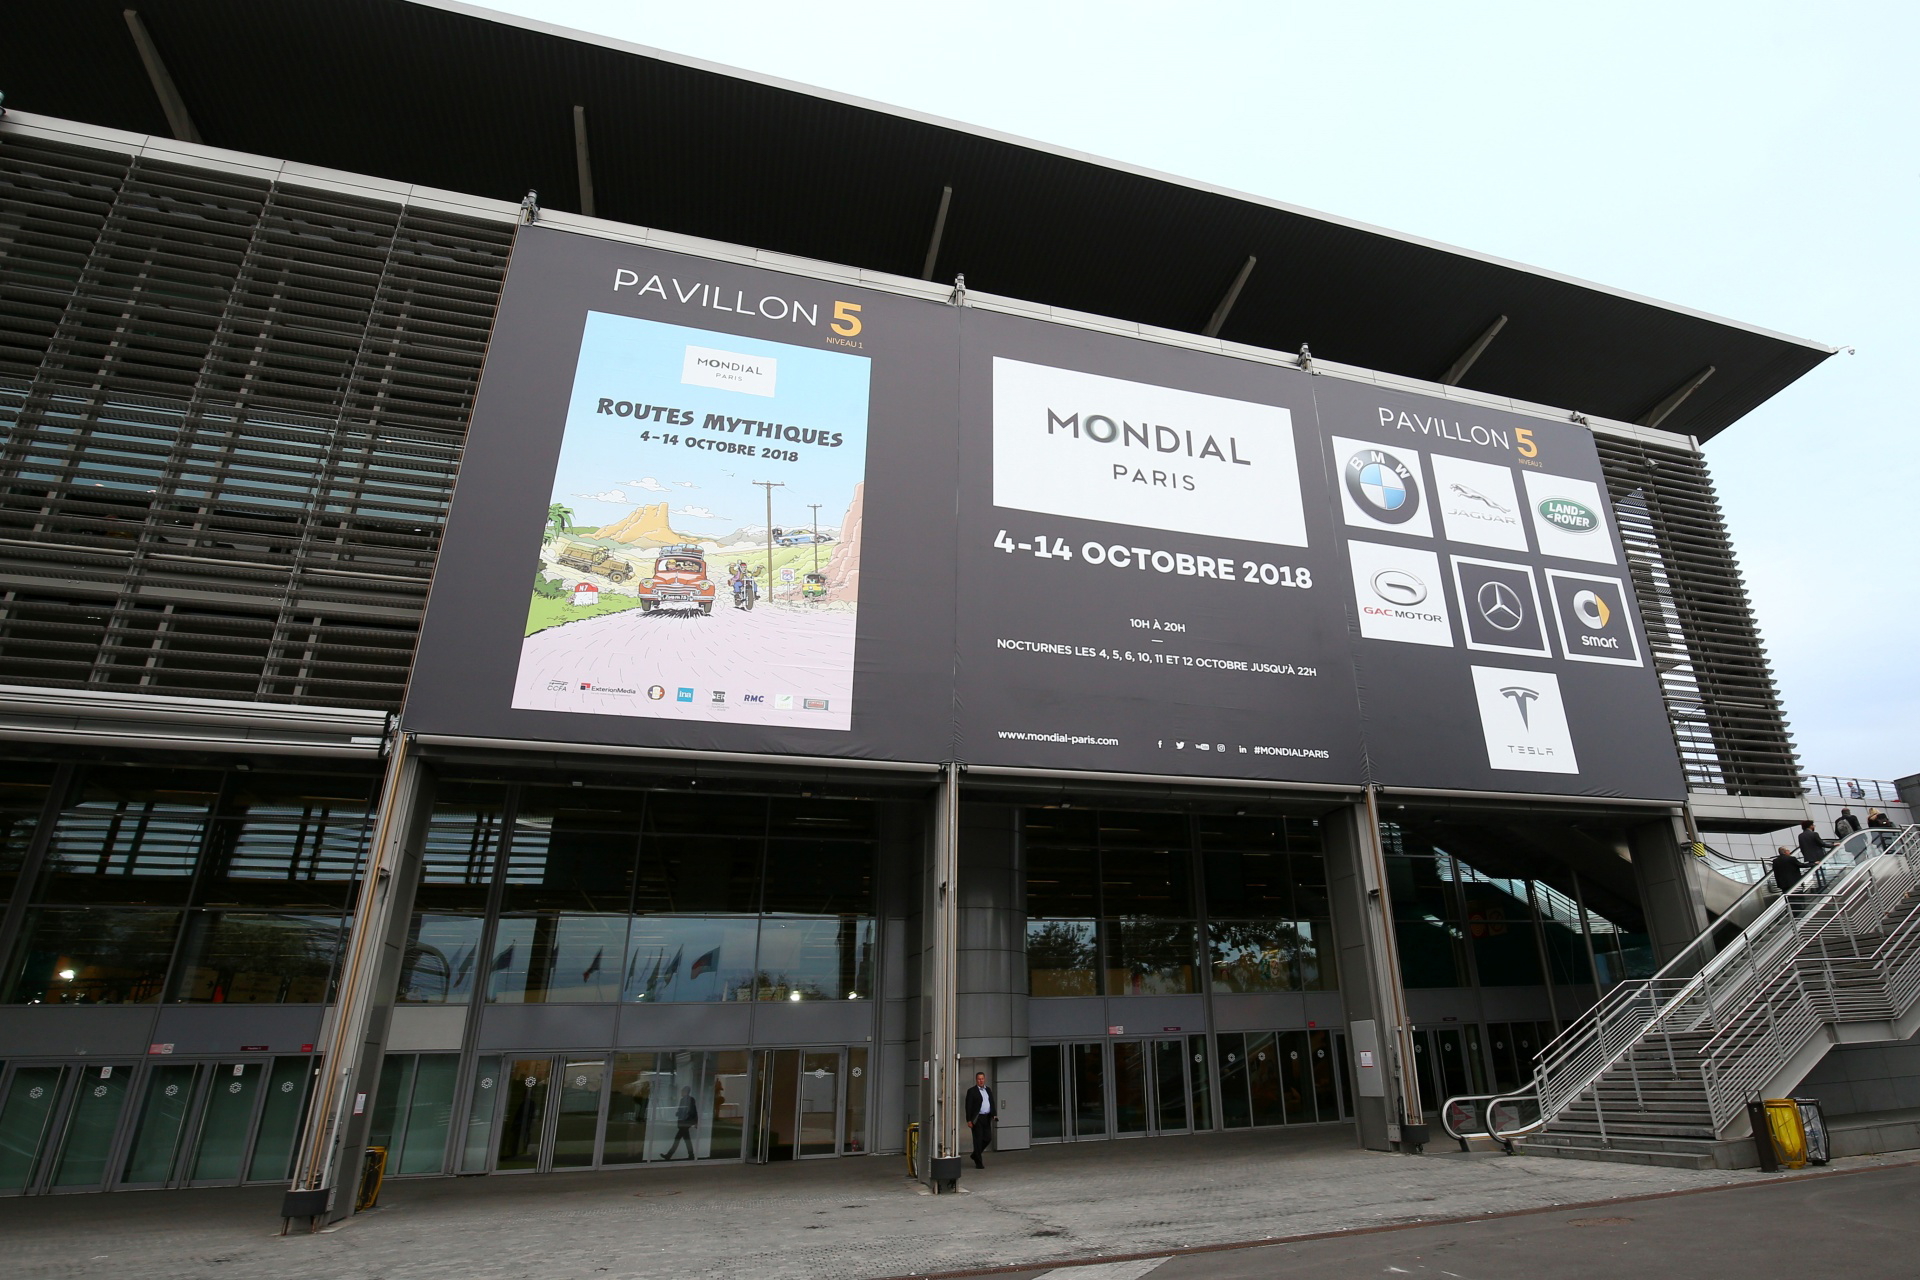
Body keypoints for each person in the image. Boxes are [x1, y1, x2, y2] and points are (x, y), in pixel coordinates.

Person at [964, 1071, 994, 1169]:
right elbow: (968, 1106)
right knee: (978, 1140)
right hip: (977, 1118)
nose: (981, 1081)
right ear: (976, 1080)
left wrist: (994, 1114)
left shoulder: (988, 1090)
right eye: (979, 1079)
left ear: (984, 1079)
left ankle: (975, 1154)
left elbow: (991, 1102)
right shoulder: (971, 1091)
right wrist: (969, 1120)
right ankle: (979, 1162)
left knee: (988, 1138)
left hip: (986, 1117)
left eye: (982, 1079)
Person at [660, 1086, 698, 1160]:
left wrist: (681, 1115)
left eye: (682, 1091)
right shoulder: (686, 1100)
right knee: (686, 1140)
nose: (681, 1093)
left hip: (685, 1122)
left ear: (685, 1092)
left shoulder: (687, 1100)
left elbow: (691, 1111)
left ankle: (669, 1155)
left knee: (678, 1139)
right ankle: (691, 1155)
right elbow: (689, 1111)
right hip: (685, 1122)